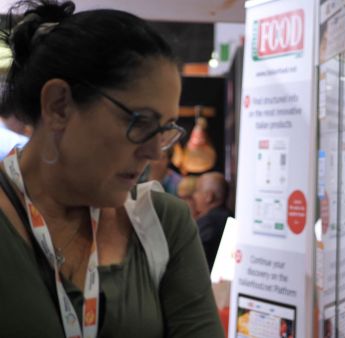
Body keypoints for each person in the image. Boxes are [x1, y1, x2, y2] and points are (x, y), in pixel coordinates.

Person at [0, 1, 224, 337]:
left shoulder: (163, 223)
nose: (152, 151)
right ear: (59, 105)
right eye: (141, 122)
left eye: (164, 129)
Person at [192, 171, 232, 270]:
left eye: (197, 190)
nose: (194, 196)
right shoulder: (228, 218)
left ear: (209, 196)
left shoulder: (209, 224)